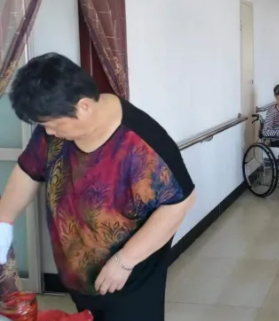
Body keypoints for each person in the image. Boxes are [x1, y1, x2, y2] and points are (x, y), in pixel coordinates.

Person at [0, 53, 195, 321]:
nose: (50, 132)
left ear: (83, 106)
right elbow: (28, 170)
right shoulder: (54, 129)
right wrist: (3, 221)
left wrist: (124, 261)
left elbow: (179, 203)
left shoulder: (141, 142)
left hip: (130, 278)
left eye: (52, 125)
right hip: (79, 276)